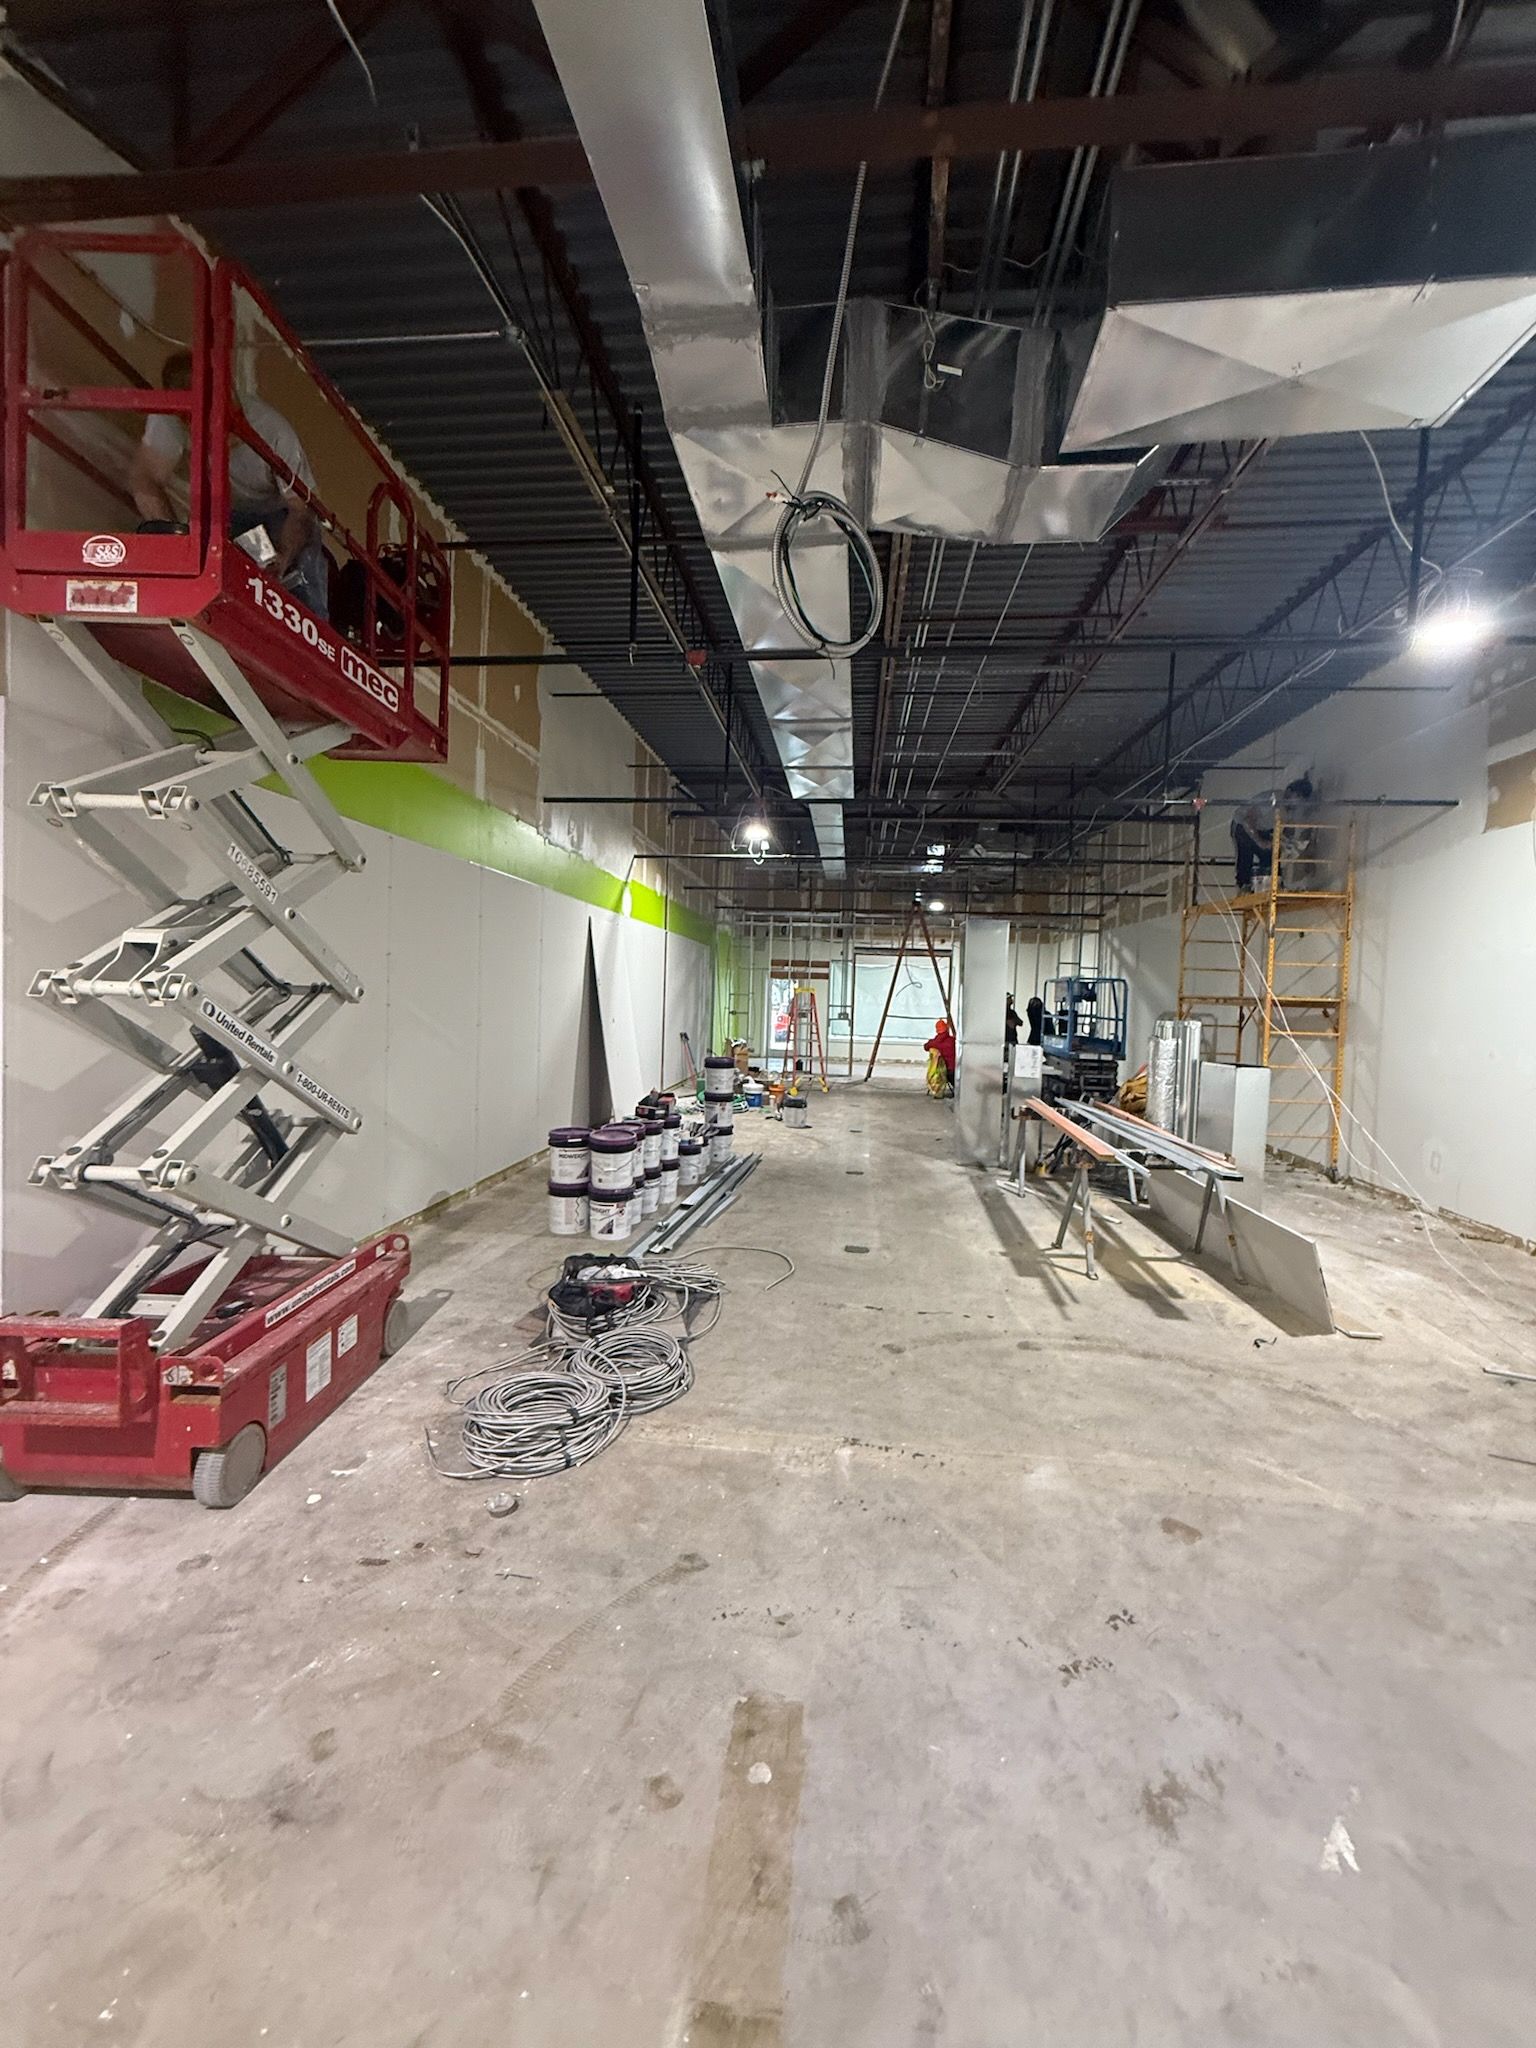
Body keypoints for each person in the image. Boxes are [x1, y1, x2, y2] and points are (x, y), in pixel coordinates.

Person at [130, 348, 329, 617]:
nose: (225, 435)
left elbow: (299, 508)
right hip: (225, 511)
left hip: (277, 510)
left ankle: (311, 627)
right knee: (219, 572)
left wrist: (284, 553)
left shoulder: (273, 431)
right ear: (185, 415)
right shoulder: (170, 416)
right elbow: (145, 481)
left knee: (298, 581)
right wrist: (176, 542)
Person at [1231, 775, 1314, 893]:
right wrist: (1260, 841)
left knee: (1271, 856)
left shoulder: (1291, 809)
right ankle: (1243, 885)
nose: (1298, 802)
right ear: (1289, 792)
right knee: (1245, 854)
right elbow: (1248, 820)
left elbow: (1288, 828)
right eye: (1298, 796)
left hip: (1264, 828)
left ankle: (1273, 884)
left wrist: (1288, 845)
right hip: (1243, 825)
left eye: (1302, 800)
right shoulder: (1272, 800)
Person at [924, 1016, 956, 1097]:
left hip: (940, 1074)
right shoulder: (953, 1041)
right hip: (954, 1071)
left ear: (937, 1030)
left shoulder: (934, 1043)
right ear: (946, 1029)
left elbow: (926, 1046)